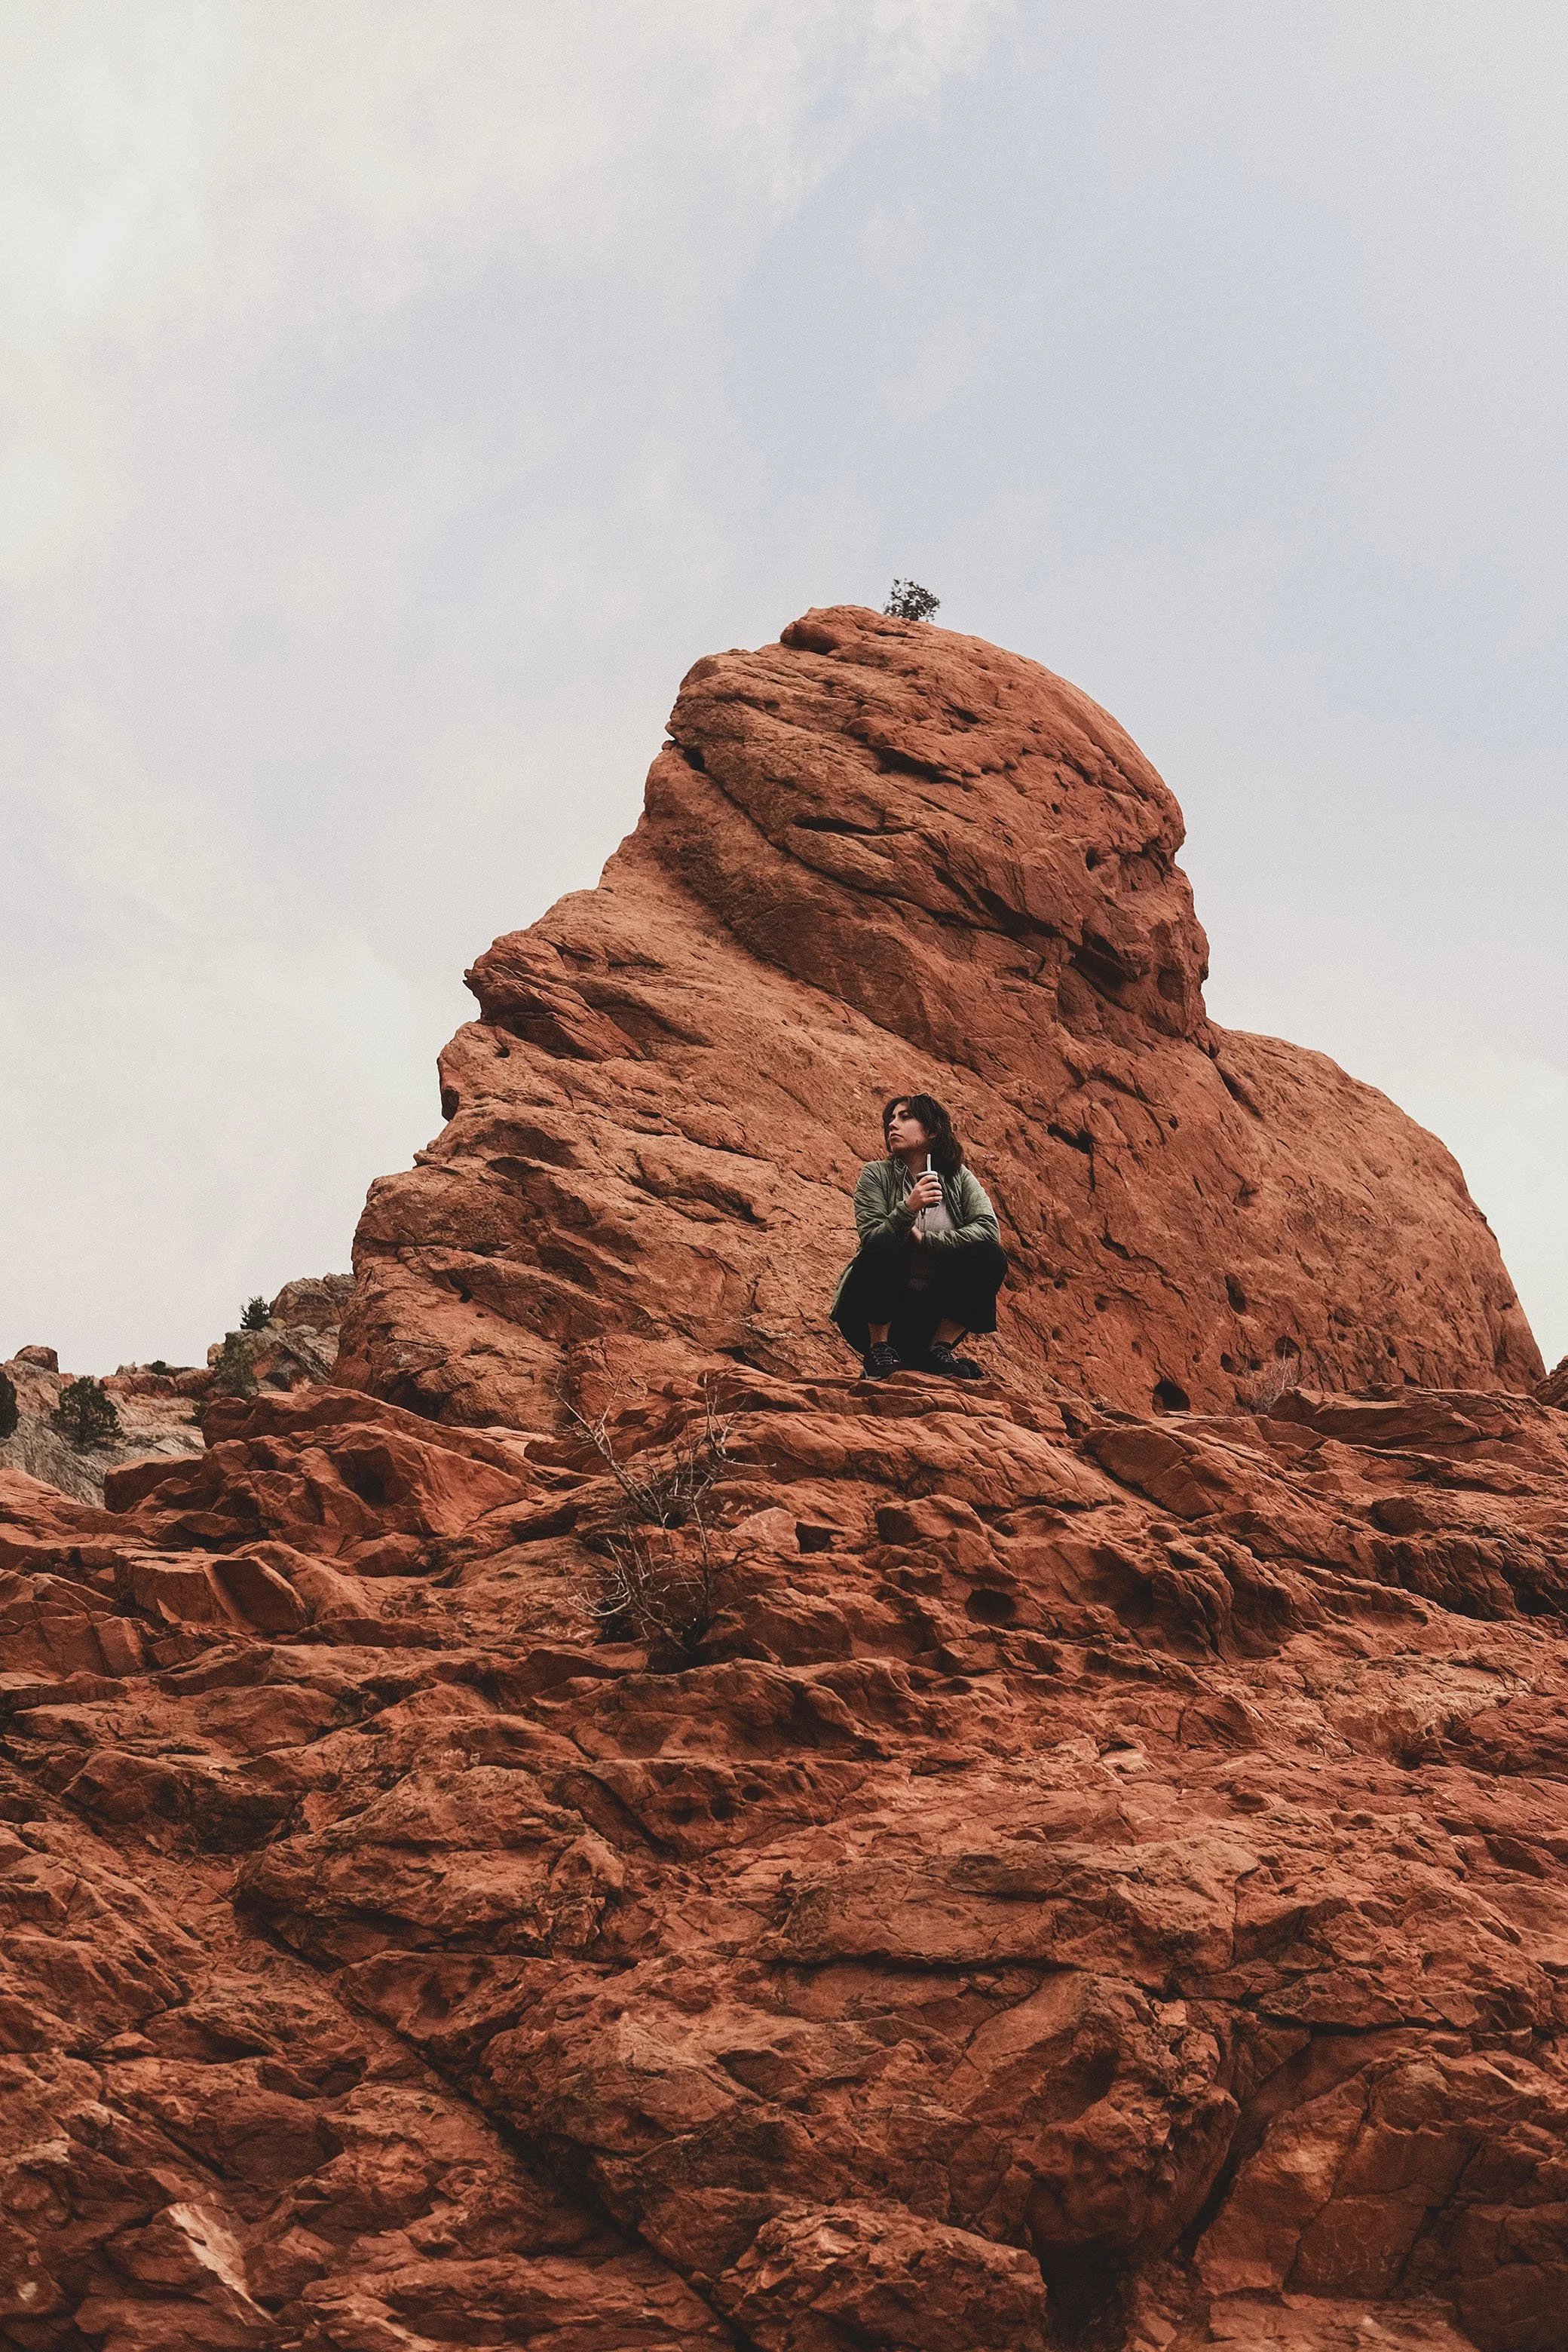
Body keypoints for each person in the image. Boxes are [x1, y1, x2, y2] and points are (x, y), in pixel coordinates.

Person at [829, 1092, 1007, 1380]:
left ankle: (939, 1349)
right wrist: (907, 1208)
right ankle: (879, 1352)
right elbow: (871, 1237)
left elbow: (988, 1229)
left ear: (933, 1130)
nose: (892, 1125)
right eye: (890, 1119)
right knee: (885, 1240)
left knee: (990, 1254)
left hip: (932, 1314)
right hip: (871, 1312)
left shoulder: (959, 1178)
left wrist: (927, 1242)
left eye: (905, 1117)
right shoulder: (876, 1175)